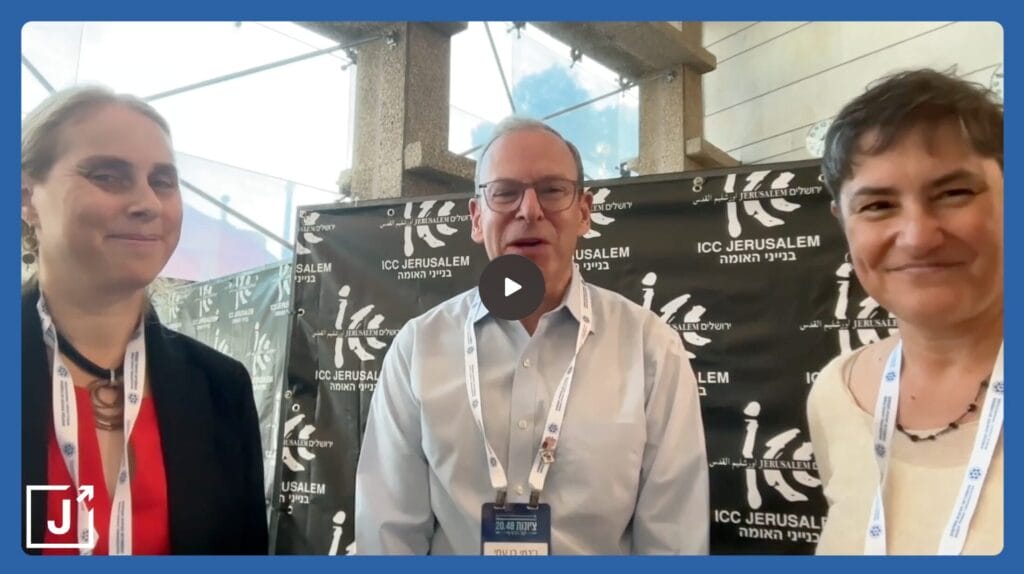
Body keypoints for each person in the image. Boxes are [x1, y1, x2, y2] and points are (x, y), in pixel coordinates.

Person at [355, 117, 709, 555]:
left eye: (552, 190)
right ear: (476, 218)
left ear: (584, 212)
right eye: (505, 192)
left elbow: (673, 539)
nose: (529, 210)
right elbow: (388, 533)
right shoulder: (418, 348)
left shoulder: (650, 349)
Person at [21, 86, 268, 555]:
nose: (148, 203)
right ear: (27, 197)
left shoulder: (220, 387)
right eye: (108, 176)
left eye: (163, 181)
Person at [808, 69, 1003, 554]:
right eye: (877, 205)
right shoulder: (836, 395)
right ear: (843, 223)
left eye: (954, 193)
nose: (918, 237)